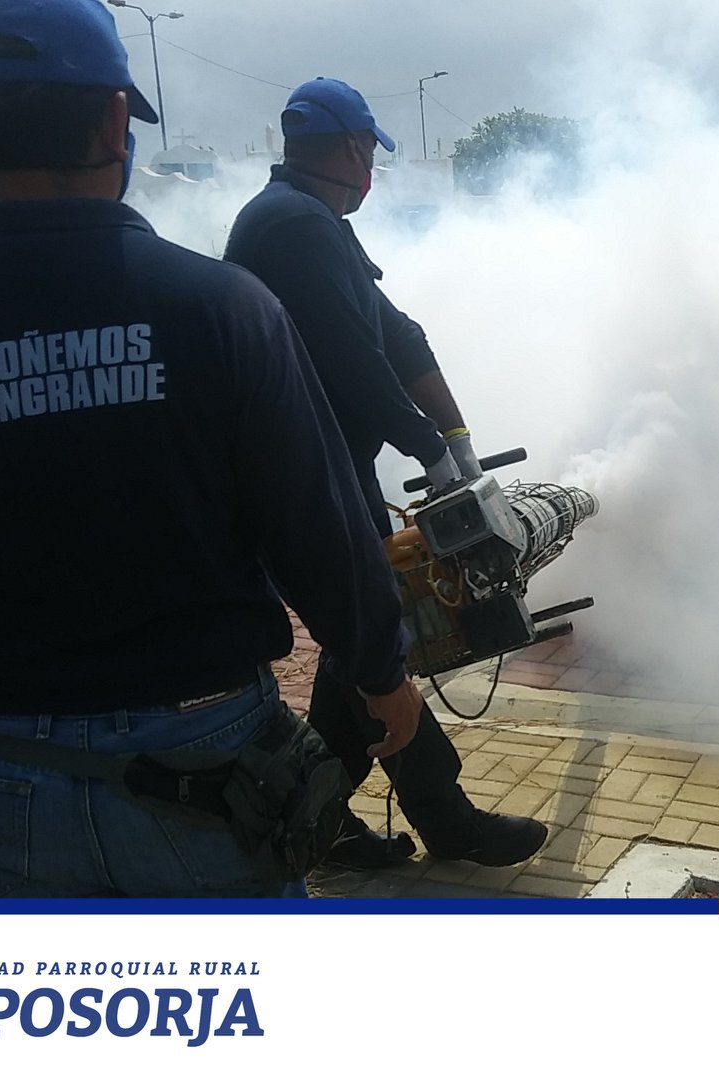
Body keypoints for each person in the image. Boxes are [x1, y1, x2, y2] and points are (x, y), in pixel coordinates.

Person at [0, 0, 425, 898]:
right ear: (117, 121)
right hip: (209, 762)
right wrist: (380, 667)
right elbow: (316, 520)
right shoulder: (220, 308)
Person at [224, 77, 545, 869]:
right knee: (371, 636)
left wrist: (457, 437)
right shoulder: (295, 226)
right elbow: (355, 362)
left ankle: (325, 818)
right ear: (353, 147)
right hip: (301, 483)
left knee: (359, 651)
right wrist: (429, 449)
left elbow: (398, 335)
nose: (371, 170)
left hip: (328, 472)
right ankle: (442, 819)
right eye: (369, 152)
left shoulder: (312, 222)